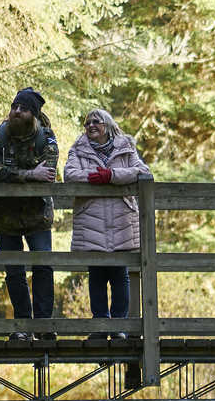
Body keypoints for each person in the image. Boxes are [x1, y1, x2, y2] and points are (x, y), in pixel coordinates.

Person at [64, 108, 151, 338]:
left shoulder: (125, 147)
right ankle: (100, 327)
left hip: (121, 217)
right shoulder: (78, 149)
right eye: (87, 122)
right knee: (97, 274)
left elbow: (142, 171)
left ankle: (119, 326)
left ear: (107, 124)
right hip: (92, 217)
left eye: (96, 121)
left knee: (120, 274)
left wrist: (111, 176)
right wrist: (93, 178)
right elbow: (70, 174)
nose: (91, 125)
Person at [0, 88, 60, 340]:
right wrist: (29, 174)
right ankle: (23, 326)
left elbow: (47, 173)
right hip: (3, 216)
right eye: (15, 106)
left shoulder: (46, 138)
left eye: (23, 109)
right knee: (14, 271)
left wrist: (16, 174)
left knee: (43, 267)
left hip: (37, 214)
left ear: (33, 115)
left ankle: (44, 325)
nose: (17, 111)